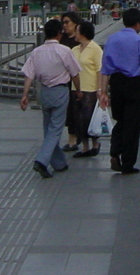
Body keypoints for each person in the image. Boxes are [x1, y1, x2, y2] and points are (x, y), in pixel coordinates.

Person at [98, 7, 140, 175]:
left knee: (120, 119)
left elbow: (105, 68)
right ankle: (128, 163)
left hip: (116, 83)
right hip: (133, 83)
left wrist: (103, 91)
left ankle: (114, 152)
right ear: (138, 24)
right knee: (132, 124)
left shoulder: (112, 39)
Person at [20, 18, 80, 179]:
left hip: (44, 91)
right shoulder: (64, 50)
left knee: (48, 128)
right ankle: (41, 161)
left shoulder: (36, 51)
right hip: (60, 91)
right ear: (59, 33)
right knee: (55, 130)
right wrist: (78, 90)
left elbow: (29, 74)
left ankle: (59, 162)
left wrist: (25, 94)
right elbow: (74, 73)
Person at [71, 19, 103, 158]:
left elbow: (100, 70)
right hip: (76, 87)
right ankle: (85, 146)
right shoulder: (74, 49)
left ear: (83, 33)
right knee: (79, 118)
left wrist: (100, 89)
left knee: (89, 118)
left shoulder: (95, 48)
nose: (75, 33)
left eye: (77, 30)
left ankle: (95, 144)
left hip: (91, 88)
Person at [59, 12, 81, 151]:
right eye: (63, 23)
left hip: (80, 79)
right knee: (70, 110)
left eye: (67, 22)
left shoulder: (81, 41)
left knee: (81, 109)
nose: (65, 25)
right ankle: (72, 138)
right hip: (65, 80)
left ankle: (83, 138)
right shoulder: (61, 40)